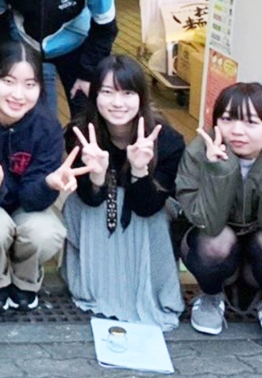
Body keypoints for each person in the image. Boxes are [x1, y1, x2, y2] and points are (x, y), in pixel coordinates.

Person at [0, 41, 86, 313]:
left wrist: (49, 184)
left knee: (46, 232)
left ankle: (25, 279)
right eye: (8, 81)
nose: (18, 95)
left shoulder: (47, 126)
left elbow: (32, 201)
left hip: (26, 207)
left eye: (30, 84)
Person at [177, 83, 262, 351]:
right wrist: (218, 171)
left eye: (251, 122)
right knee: (214, 241)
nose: (237, 131)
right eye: (227, 119)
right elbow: (204, 221)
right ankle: (211, 296)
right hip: (217, 242)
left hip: (260, 252)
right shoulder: (198, 152)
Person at [62, 55, 185, 330]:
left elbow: (148, 206)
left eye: (127, 93)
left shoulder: (166, 140)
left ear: (141, 97)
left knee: (155, 218)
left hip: (147, 209)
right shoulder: (80, 134)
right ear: (95, 95)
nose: (117, 103)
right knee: (80, 207)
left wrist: (140, 170)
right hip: (96, 207)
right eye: (107, 92)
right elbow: (89, 199)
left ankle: (148, 288)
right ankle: (97, 284)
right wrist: (97, 175)